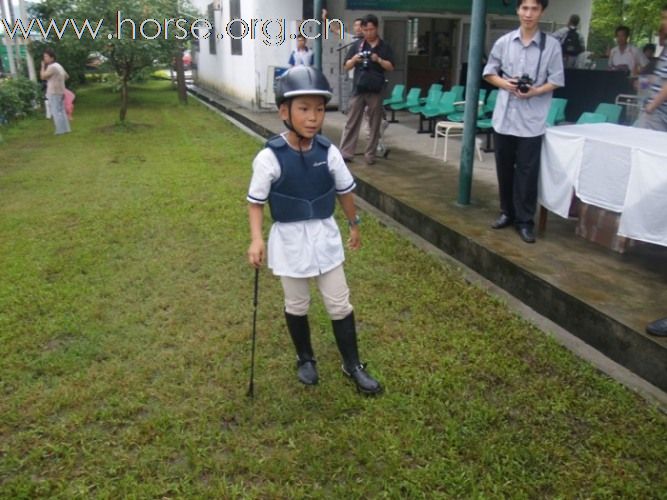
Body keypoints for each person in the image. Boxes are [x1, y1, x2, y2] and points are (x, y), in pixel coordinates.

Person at [246, 66, 382, 395]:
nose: (313, 117)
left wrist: (353, 224)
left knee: (339, 303)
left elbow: (345, 191)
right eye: (304, 109)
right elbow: (255, 202)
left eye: (319, 109)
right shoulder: (269, 158)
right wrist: (256, 238)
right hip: (289, 240)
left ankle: (352, 364)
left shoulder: (328, 152)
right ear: (284, 112)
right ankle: (305, 358)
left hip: (324, 237)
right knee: (297, 303)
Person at [483, 0, 564, 244]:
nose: (528, 14)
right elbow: (489, 72)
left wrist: (536, 91)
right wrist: (505, 84)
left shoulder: (551, 46)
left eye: (534, 9)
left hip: (532, 120)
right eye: (525, 8)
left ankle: (525, 220)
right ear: (518, 10)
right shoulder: (504, 42)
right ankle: (506, 212)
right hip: (505, 118)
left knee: (527, 173)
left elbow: (557, 79)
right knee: (504, 168)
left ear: (541, 12)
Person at [339, 14, 394, 165]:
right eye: (365, 30)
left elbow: (391, 66)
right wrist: (354, 60)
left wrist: (379, 60)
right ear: (362, 29)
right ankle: (346, 153)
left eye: (371, 29)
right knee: (352, 122)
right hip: (359, 88)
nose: (369, 33)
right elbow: (346, 66)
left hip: (375, 90)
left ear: (377, 28)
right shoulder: (357, 46)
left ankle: (370, 155)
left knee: (374, 124)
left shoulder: (384, 46)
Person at [635, 7, 667, 132]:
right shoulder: (662, 56)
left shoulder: (649, 61)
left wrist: (650, 107)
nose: (663, 22)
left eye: (665, 18)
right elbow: (655, 79)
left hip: (656, 112)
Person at [39, 48, 71, 135]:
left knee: (55, 111)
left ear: (52, 58)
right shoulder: (58, 66)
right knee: (61, 110)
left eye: (46, 56)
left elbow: (42, 76)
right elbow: (66, 76)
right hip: (61, 90)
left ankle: (60, 130)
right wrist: (59, 80)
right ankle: (66, 129)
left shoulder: (52, 67)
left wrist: (42, 67)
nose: (44, 58)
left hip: (53, 91)